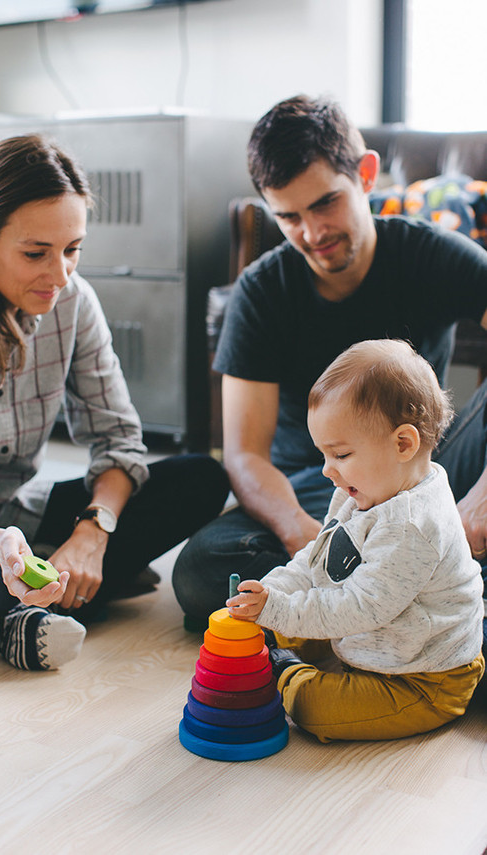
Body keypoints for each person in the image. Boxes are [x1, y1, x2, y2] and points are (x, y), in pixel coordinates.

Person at [172, 94, 487, 651]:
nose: (312, 232)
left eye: (326, 204)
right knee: (202, 572)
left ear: (365, 175)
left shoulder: (433, 255)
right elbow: (244, 454)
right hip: (323, 493)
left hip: (425, 480)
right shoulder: (263, 290)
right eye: (288, 216)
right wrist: (304, 537)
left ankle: (395, 599)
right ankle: (420, 605)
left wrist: (482, 498)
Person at [0, 133, 229, 671]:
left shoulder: (74, 302)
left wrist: (92, 533)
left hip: (23, 519)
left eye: (73, 249)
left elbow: (119, 443)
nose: (60, 274)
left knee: (202, 478)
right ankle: (17, 607)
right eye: (36, 253)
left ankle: (13, 598)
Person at [226, 340, 484, 742]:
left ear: (403, 444)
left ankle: (284, 671)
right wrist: (274, 590)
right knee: (278, 620)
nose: (328, 471)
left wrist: (278, 611)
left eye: (341, 454)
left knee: (313, 709)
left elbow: (360, 607)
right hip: (371, 642)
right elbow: (318, 556)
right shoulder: (361, 489)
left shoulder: (413, 525)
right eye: (324, 455)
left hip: (422, 676)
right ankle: (284, 652)